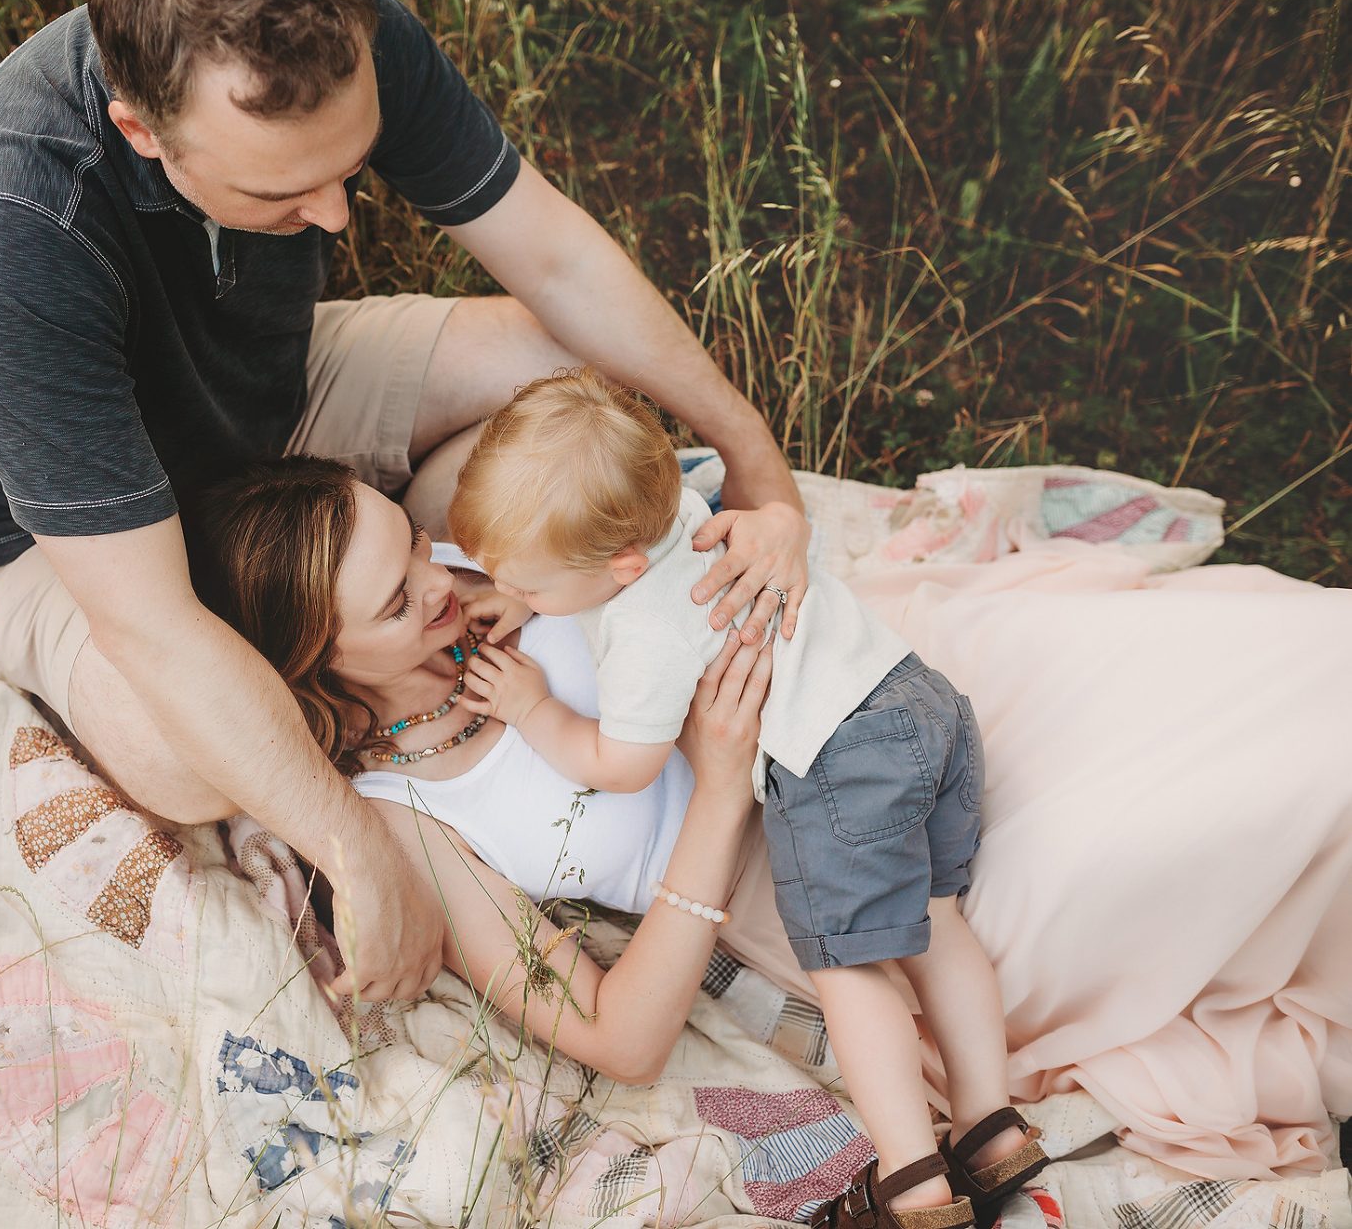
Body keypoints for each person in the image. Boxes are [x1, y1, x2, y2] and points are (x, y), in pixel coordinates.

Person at [0, 0, 814, 1000]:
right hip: (78, 534)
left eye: (348, 167)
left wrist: (755, 461)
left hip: (272, 395)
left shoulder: (332, 25)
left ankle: (394, 541)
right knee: (181, 756)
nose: (336, 214)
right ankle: (361, 615)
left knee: (579, 384)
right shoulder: (10, 228)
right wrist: (358, 845)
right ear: (140, 131)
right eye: (284, 191)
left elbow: (553, 257)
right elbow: (149, 620)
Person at [188, 454, 1352, 1190]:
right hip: (823, 862)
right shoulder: (406, 818)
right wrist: (716, 767)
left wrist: (766, 523)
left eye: (413, 544)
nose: (441, 581)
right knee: (1234, 817)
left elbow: (639, 491)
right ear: (320, 664)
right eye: (399, 602)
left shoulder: (473, 552)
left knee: (1263, 659)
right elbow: (615, 1036)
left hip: (880, 673)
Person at [445, 368, 1045, 1229]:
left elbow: (625, 764)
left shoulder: (649, 628)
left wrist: (534, 707)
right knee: (936, 917)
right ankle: (993, 1129)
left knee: (849, 967)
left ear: (616, 566)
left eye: (531, 587)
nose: (524, 602)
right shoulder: (685, 515)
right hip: (917, 700)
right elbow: (583, 551)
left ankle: (915, 1184)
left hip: (837, 757)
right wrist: (522, 582)